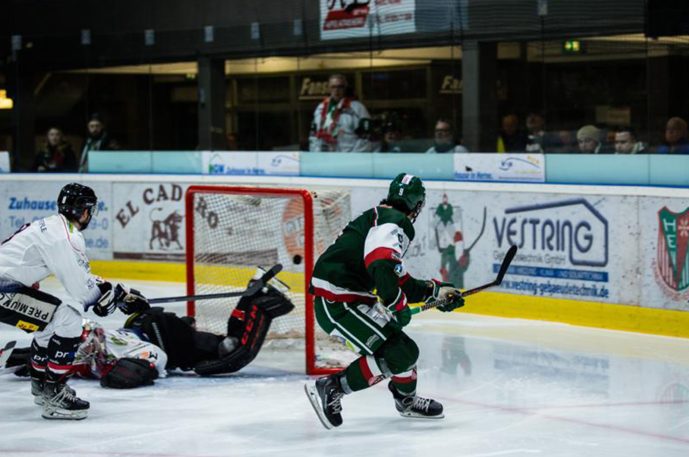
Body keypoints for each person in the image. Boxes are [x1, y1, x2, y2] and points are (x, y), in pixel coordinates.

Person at [304, 173, 466, 429]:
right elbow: (380, 265)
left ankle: (406, 400)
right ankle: (333, 386)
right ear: (418, 205)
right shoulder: (394, 222)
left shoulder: (382, 217)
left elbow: (393, 276)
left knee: (404, 351)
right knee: (398, 354)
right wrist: (397, 305)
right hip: (337, 301)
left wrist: (436, 292)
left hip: (346, 297)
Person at [0, 183, 147, 419]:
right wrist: (114, 297)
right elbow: (81, 290)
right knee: (69, 318)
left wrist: (116, 292)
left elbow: (81, 279)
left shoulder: (54, 226)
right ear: (84, 211)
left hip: (7, 287)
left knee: (50, 321)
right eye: (90, 209)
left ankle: (41, 384)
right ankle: (54, 393)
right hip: (3, 290)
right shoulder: (66, 236)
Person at [3, 269, 295, 388]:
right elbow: (27, 356)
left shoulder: (89, 347)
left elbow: (123, 376)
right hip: (150, 330)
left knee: (227, 353)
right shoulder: (83, 345)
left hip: (155, 334)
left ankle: (260, 299)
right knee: (225, 349)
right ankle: (253, 295)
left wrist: (104, 368)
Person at [309, 74, 373, 152]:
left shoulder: (358, 108)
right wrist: (317, 154)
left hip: (349, 157)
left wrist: (353, 158)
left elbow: (366, 137)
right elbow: (314, 135)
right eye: (333, 87)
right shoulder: (321, 108)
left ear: (345, 88)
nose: (336, 90)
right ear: (329, 88)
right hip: (326, 157)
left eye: (340, 87)